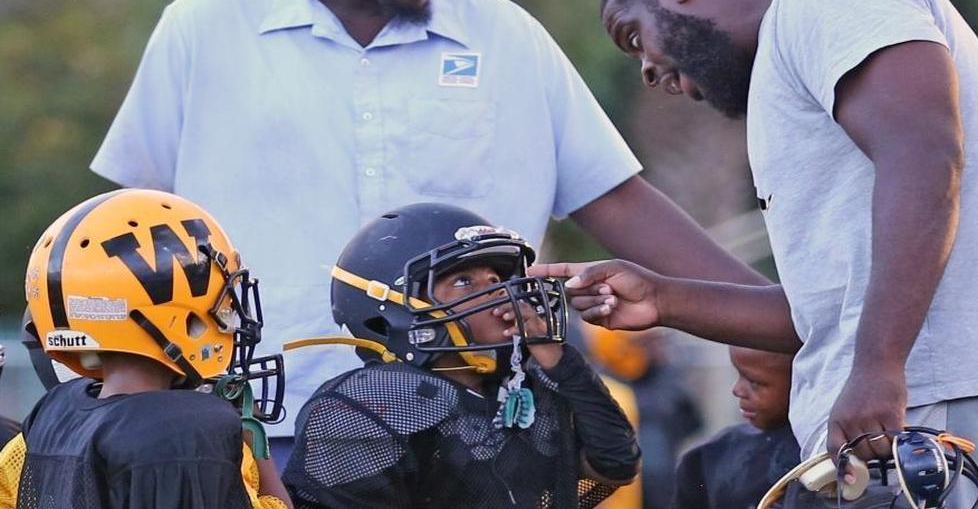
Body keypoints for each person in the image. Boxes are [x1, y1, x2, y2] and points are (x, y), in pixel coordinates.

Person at [89, 0, 764, 459]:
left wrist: (773, 315)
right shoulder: (206, 26)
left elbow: (614, 200)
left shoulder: (506, 39)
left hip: (473, 430)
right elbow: (133, 226)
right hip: (264, 425)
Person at [532, 0, 978, 509]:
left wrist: (878, 368)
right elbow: (826, 313)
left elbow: (925, 155)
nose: (649, 72)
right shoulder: (791, 73)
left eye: (635, 38)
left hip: (943, 391)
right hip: (902, 404)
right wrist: (664, 299)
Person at [283, 202, 640, 508]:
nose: (498, 294)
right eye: (464, 282)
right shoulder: (372, 402)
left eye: (496, 279)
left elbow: (616, 463)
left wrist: (557, 358)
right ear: (392, 308)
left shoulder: (525, 385)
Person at [12, 188, 290, 509]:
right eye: (224, 303)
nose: (231, 315)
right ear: (177, 316)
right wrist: (252, 443)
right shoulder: (187, 431)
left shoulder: (51, 413)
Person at [581, 326, 701, 509]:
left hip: (661, 489)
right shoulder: (600, 388)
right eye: (646, 342)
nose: (656, 348)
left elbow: (690, 425)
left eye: (656, 341)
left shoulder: (666, 380)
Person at [671, 347, 799, 509]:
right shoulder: (710, 455)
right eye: (739, 375)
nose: (737, 390)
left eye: (755, 383)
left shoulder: (825, 455)